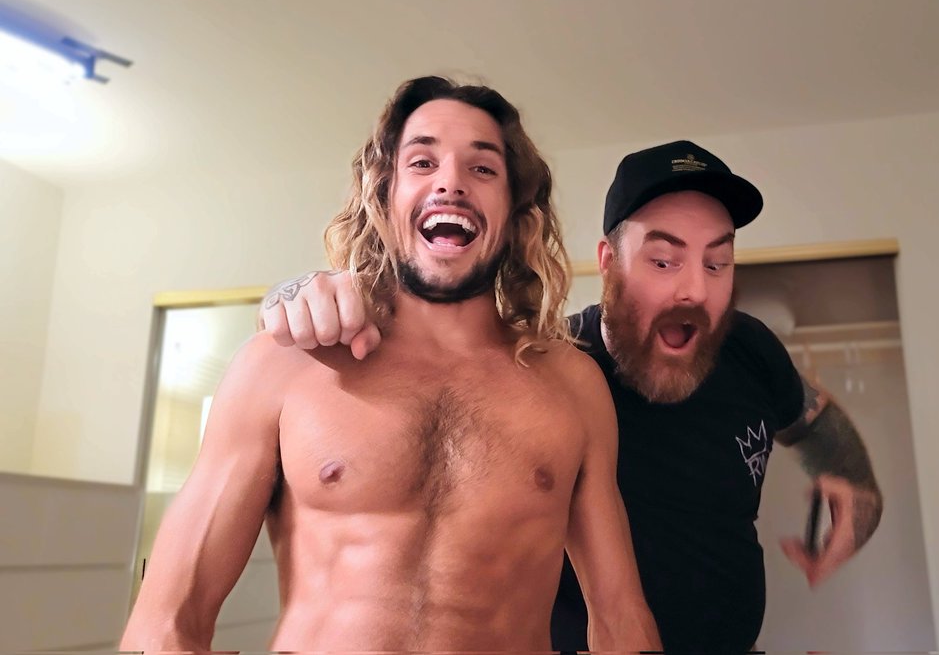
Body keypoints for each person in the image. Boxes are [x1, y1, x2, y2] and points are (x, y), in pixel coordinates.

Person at [261, 139, 883, 651]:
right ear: (609, 261)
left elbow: (816, 425)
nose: (694, 290)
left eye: (716, 263)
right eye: (663, 261)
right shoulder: (545, 370)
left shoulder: (749, 349)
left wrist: (857, 486)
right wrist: (297, 297)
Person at [122, 76, 660, 653]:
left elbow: (619, 618)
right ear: (384, 196)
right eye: (422, 162)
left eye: (482, 168)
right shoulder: (283, 363)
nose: (450, 182)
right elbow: (167, 621)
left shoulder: (571, 385)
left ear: (514, 212)